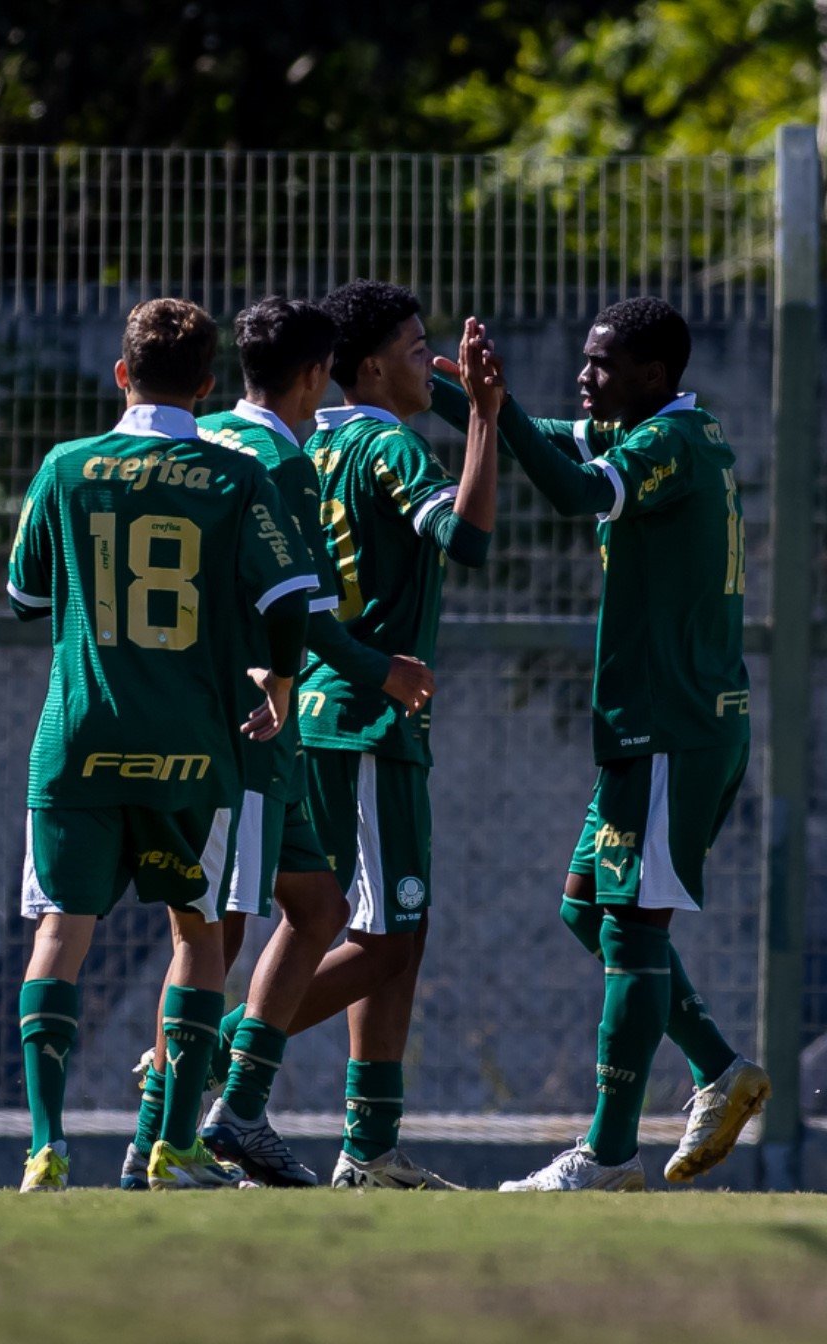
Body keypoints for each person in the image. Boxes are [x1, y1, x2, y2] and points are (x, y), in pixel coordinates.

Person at [428, 297, 771, 1191]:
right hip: (653, 727)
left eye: (601, 363)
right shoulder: (657, 429)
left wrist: (491, 412)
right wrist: (453, 398)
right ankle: (720, 1068)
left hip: (672, 726)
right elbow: (542, 438)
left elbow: (576, 490)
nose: (584, 376)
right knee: (587, 907)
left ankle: (610, 1153)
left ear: (654, 375)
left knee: (632, 925)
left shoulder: (668, 444)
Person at [111, 296, 439, 1188]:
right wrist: (380, 669)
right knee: (215, 933)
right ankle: (168, 1131)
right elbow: (304, 609)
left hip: (216, 710)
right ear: (312, 376)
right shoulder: (283, 466)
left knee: (313, 909)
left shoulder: (205, 434)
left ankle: (229, 1112)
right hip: (247, 718)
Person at [3, 297, 320, 1192]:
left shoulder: (65, 466)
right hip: (190, 747)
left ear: (121, 374)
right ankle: (176, 1148)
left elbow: (25, 596)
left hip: (80, 742)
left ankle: (45, 1147)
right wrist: (282, 684)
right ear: (208, 384)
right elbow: (289, 597)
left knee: (61, 931)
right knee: (198, 933)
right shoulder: (235, 477)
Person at [288, 279, 502, 1189]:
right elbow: (467, 540)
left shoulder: (309, 446)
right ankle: (204, 1057)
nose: (432, 364)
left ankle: (370, 1147)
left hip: (324, 715)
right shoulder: (388, 444)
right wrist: (484, 416)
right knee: (384, 939)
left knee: (390, 931)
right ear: (372, 368)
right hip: (369, 719)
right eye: (418, 350)